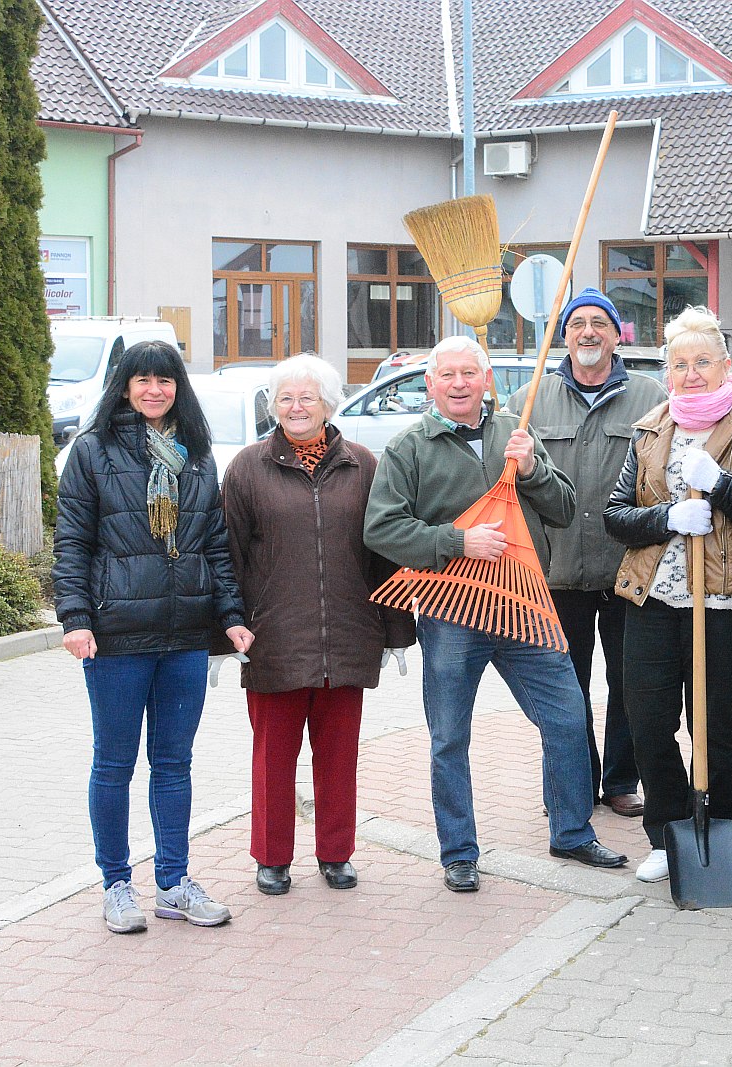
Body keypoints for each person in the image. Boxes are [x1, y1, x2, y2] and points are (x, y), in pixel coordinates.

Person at [364, 335, 626, 892]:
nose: (459, 384)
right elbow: (382, 529)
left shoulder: (516, 434)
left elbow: (563, 508)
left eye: (468, 374)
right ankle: (459, 851)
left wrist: (531, 470)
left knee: (566, 716)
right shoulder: (409, 448)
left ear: (487, 380)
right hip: (451, 611)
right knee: (449, 735)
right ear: (429, 385)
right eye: (447, 376)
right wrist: (456, 542)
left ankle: (572, 831)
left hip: (525, 605)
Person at [53, 339, 253, 934]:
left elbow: (214, 543)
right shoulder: (92, 452)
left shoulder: (195, 455)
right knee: (114, 764)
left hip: (185, 633)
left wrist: (230, 613)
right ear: (123, 386)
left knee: (174, 764)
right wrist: (75, 618)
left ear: (177, 388)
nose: (154, 390)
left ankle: (173, 882)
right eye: (141, 380)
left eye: (164, 381)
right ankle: (116, 883)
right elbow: (72, 542)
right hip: (115, 634)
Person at [222, 353, 415, 896]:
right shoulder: (246, 468)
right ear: (272, 405)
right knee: (272, 758)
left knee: (339, 758)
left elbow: (386, 552)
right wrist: (227, 627)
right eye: (285, 397)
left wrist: (397, 632)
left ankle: (336, 853)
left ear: (329, 404)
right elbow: (227, 555)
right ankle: (272, 857)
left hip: (348, 637)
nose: (296, 406)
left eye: (307, 397)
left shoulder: (362, 465)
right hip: (273, 641)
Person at [605, 306, 732, 884]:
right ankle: (668, 829)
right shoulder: (652, 427)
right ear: (666, 371)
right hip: (652, 596)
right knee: (648, 718)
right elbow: (616, 516)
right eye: (680, 364)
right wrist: (669, 516)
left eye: (704, 361)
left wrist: (722, 487)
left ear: (727, 365)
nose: (692, 373)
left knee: (712, 723)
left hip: (724, 601)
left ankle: (716, 827)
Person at [506, 287, 666, 819]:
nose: (588, 332)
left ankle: (622, 780)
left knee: (630, 683)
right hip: (555, 572)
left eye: (600, 323)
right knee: (563, 686)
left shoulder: (651, 397)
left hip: (629, 568)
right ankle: (576, 779)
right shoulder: (528, 401)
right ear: (564, 335)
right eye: (578, 324)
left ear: (618, 334)